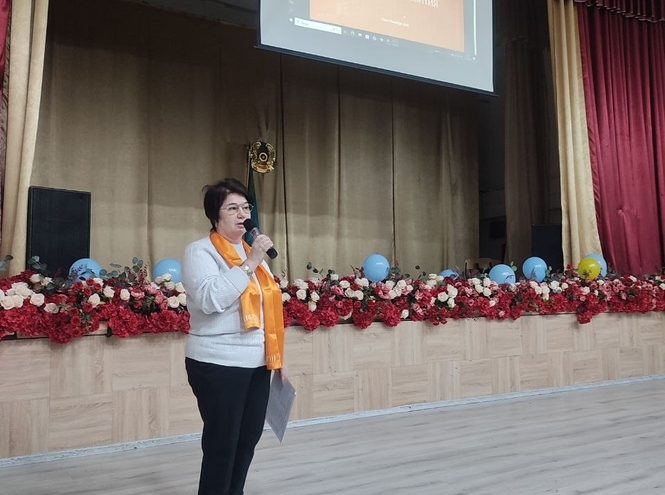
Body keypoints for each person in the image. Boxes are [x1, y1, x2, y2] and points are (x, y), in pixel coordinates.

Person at [182, 177, 285, 495]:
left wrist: (277, 358)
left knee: (247, 440)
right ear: (215, 215)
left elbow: (266, 312)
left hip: (257, 364)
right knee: (222, 444)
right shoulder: (200, 252)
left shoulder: (252, 254)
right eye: (232, 208)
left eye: (246, 207)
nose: (242, 214)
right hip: (218, 363)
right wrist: (251, 262)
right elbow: (211, 299)